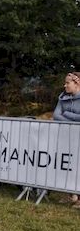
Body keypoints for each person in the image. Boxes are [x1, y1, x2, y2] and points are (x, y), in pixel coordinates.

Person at [53, 71, 80, 207]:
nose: (65, 85)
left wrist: (68, 114)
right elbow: (56, 115)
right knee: (69, 166)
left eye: (67, 83)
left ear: (77, 83)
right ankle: (71, 195)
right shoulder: (62, 98)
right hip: (67, 138)